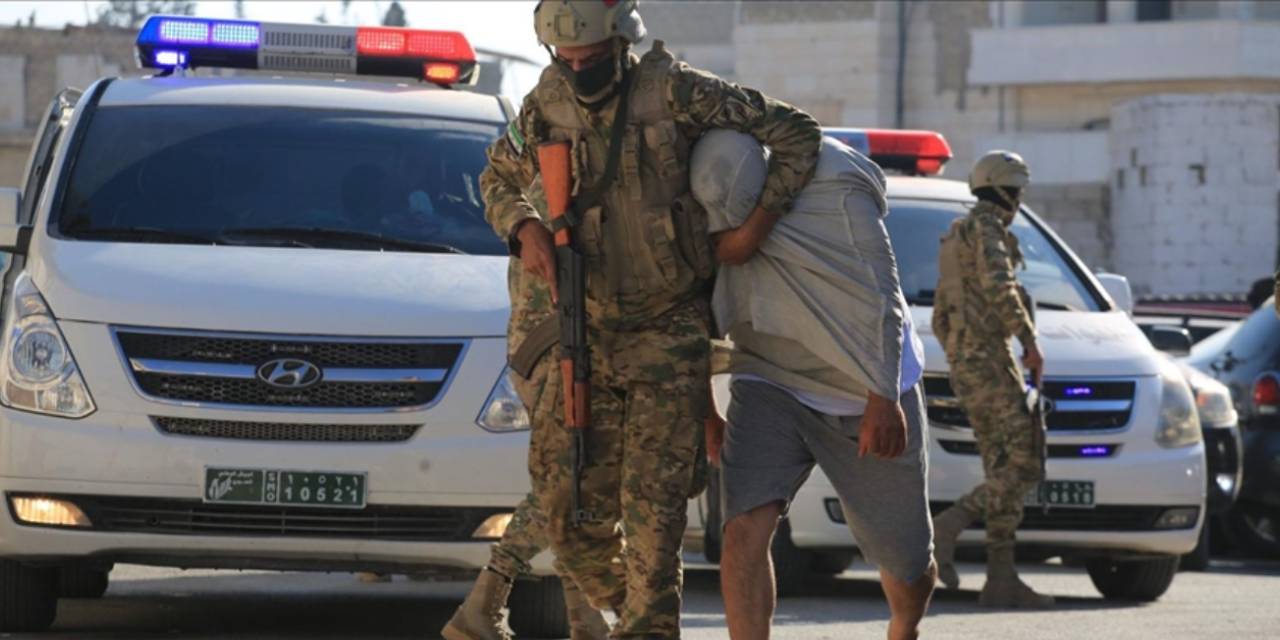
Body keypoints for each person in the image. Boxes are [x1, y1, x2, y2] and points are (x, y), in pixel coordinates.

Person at [480, 1, 822, 636]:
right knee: (567, 517)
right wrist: (523, 228)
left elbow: (797, 134)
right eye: (566, 59)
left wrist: (754, 228)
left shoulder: (676, 91)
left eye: (591, 58)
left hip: (668, 335)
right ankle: (638, 619)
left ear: (620, 43)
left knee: (653, 528)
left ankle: (647, 623)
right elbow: (496, 177)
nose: (579, 71)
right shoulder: (546, 102)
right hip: (585, 336)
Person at [694, 130, 936, 640]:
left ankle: (904, 627)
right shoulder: (689, 200)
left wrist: (883, 396)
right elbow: (684, 316)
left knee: (905, 560)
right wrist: (706, 413)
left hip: (861, 385)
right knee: (742, 529)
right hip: (768, 375)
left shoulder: (838, 190)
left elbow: (881, 297)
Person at [443, 259, 609, 640]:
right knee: (565, 481)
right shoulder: (537, 219)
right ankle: (485, 603)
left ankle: (584, 621)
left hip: (568, 341)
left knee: (575, 482)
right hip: (556, 345)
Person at [929, 150, 1053, 609]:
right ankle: (948, 526)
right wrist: (1029, 342)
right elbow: (1001, 287)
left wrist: (961, 353)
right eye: (1017, 192)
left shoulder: (957, 234)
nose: (1019, 201)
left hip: (968, 362)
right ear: (1006, 192)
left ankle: (1001, 578)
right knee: (1024, 463)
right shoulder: (986, 229)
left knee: (1000, 468)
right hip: (988, 360)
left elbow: (941, 316)